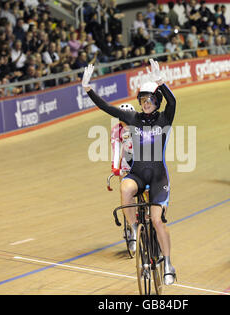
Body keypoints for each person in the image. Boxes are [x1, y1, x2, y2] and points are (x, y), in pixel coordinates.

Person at [83, 59, 177, 286]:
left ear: (156, 101)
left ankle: (168, 263)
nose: (145, 104)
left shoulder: (165, 118)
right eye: (142, 100)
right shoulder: (132, 118)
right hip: (137, 175)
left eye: (149, 100)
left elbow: (174, 101)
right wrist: (88, 89)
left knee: (156, 220)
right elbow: (106, 108)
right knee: (125, 187)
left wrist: (161, 81)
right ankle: (134, 228)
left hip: (157, 178)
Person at [111, 103, 136, 251]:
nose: (123, 119)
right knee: (126, 194)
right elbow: (116, 150)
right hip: (126, 163)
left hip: (141, 162)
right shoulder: (116, 130)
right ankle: (131, 230)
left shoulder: (140, 124)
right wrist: (115, 167)